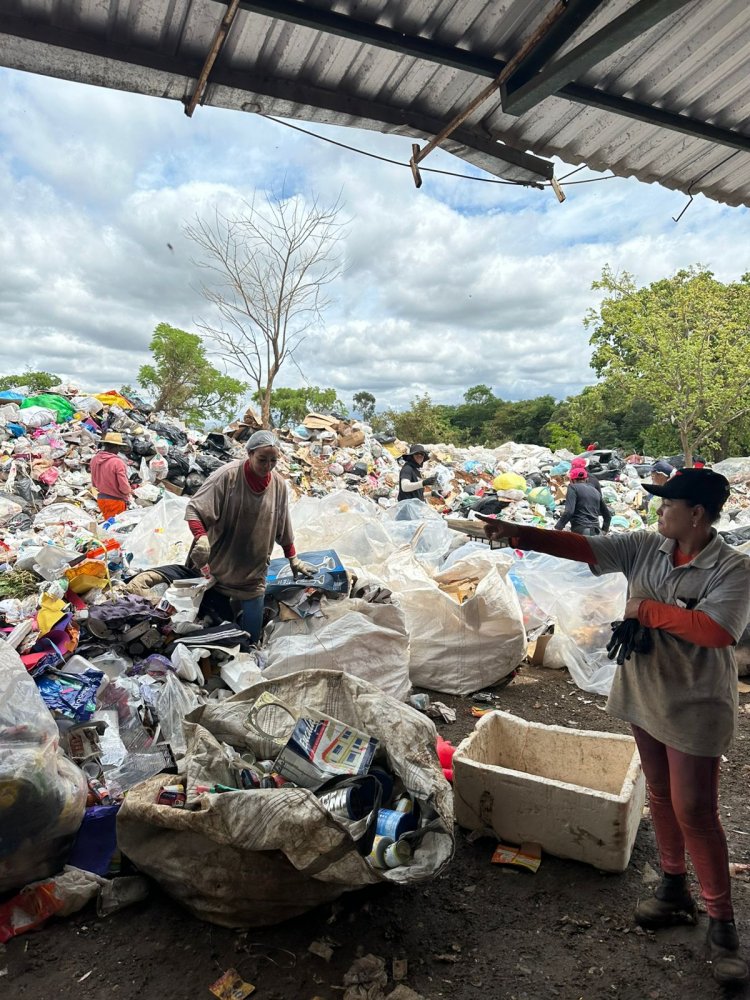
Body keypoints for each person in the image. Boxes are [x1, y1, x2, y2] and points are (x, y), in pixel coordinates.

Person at [483, 468, 750, 987]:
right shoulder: (645, 547)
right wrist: (514, 533)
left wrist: (646, 610)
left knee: (695, 807)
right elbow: (583, 546)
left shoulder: (732, 567)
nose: (658, 511)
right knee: (659, 791)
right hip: (644, 691)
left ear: (696, 513)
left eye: (667, 503)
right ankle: (675, 889)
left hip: (694, 704)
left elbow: (718, 631)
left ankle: (724, 924)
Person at [184, 430, 315, 644]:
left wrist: (293, 558)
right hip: (220, 565)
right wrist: (201, 538)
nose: (267, 466)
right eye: (262, 460)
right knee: (218, 630)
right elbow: (196, 509)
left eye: (273, 461)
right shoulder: (227, 476)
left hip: (253, 571)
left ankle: (250, 653)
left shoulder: (279, 485)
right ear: (249, 453)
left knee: (251, 636)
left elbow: (283, 524)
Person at [555, 467, 612, 535]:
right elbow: (607, 515)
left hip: (581, 531)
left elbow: (569, 512)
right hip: (597, 532)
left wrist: (558, 528)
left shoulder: (573, 487)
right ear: (586, 479)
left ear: (572, 480)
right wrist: (604, 531)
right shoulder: (596, 491)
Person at [89, 431, 132, 518]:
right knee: (114, 528)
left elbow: (94, 482)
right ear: (116, 446)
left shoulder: (95, 459)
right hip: (115, 501)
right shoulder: (117, 462)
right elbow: (124, 487)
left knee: (108, 525)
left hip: (101, 499)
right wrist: (129, 491)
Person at [646, 460, 675, 527]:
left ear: (661, 475)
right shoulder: (657, 489)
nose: (651, 476)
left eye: (654, 473)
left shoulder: (669, 493)